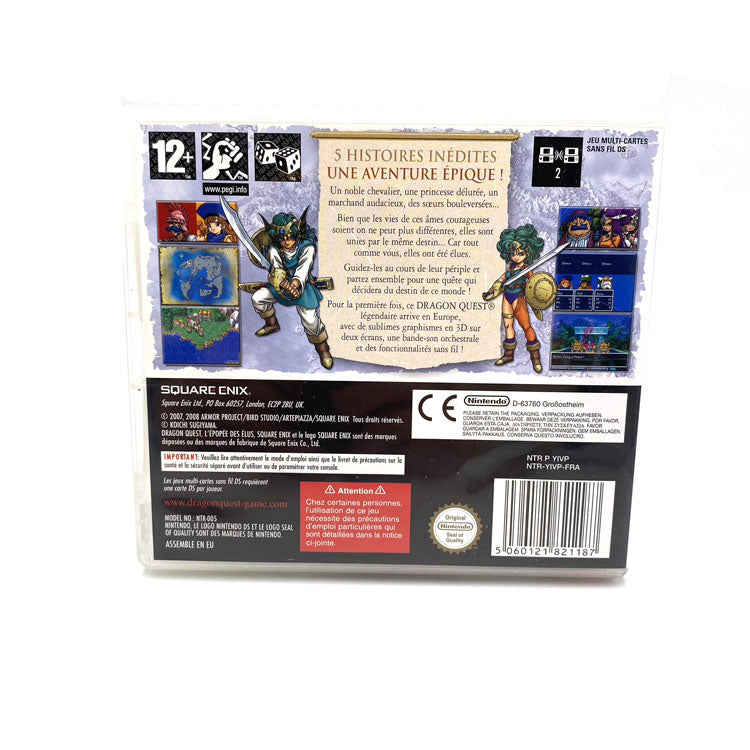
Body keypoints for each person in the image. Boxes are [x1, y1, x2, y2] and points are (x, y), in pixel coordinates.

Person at [250, 209, 333, 369]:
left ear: (297, 234)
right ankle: (272, 323)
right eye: (282, 238)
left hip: (301, 287)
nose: (286, 242)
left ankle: (323, 349)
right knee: (258, 298)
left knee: (311, 320)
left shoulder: (307, 248)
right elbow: (276, 267)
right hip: (280, 286)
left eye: (290, 237)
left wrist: (295, 284)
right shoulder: (274, 249)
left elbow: (303, 269)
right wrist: (278, 279)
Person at [482, 224, 545, 373]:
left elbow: (533, 286)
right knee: (508, 326)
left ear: (528, 253)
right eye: (513, 253)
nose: (516, 257)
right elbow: (500, 280)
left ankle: (535, 358)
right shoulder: (510, 268)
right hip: (507, 297)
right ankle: (508, 355)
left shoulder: (527, 270)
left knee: (526, 327)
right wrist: (491, 291)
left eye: (520, 253)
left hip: (518, 297)